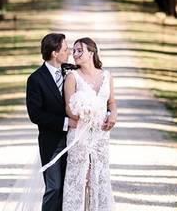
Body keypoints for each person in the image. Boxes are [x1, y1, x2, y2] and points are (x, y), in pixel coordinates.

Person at [62, 37, 116, 210]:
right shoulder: (72, 77)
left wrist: (113, 115)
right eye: (74, 51)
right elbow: (69, 108)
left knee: (99, 178)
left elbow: (111, 102)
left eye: (80, 50)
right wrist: (84, 114)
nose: (75, 54)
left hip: (101, 136)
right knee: (78, 180)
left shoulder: (107, 76)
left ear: (91, 52)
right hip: (80, 135)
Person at [26, 32, 76, 211]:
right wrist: (65, 122)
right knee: (54, 187)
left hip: (76, 139)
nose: (69, 52)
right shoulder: (35, 80)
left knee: (70, 187)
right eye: (65, 49)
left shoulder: (72, 71)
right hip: (51, 142)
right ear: (55, 53)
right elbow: (35, 115)